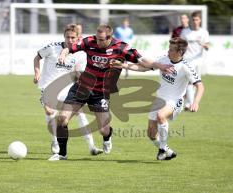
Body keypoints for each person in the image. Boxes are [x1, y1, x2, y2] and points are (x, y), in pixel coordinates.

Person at [49, 24, 173, 161]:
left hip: (100, 92)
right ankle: (62, 154)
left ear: (109, 37)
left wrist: (160, 66)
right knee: (62, 119)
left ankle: (107, 137)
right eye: (97, 38)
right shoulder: (89, 41)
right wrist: (63, 53)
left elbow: (143, 61)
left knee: (103, 130)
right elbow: (70, 48)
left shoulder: (121, 47)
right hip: (82, 87)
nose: (98, 41)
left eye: (101, 40)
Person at [111, 37, 204, 160]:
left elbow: (200, 86)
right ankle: (168, 151)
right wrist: (123, 65)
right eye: (169, 48)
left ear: (180, 52)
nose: (168, 51)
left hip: (175, 100)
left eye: (171, 49)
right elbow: (143, 67)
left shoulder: (185, 67)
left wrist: (195, 102)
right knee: (151, 134)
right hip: (159, 99)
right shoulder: (164, 59)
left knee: (161, 116)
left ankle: (162, 149)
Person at [33, 23, 103, 157]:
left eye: (72, 38)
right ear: (64, 37)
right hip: (48, 86)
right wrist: (37, 73)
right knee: (50, 111)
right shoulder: (52, 48)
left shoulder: (81, 54)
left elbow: (79, 73)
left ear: (78, 38)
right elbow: (37, 57)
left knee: (79, 112)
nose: (70, 40)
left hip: (66, 87)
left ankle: (92, 147)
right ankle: (55, 142)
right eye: (67, 37)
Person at [180, 11, 209, 110]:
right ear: (191, 20)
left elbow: (208, 47)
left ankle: (190, 103)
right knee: (188, 82)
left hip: (198, 61)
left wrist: (204, 45)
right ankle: (190, 104)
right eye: (193, 20)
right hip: (187, 60)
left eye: (197, 19)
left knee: (196, 83)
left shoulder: (204, 32)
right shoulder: (185, 32)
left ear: (200, 20)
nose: (195, 21)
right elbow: (180, 45)